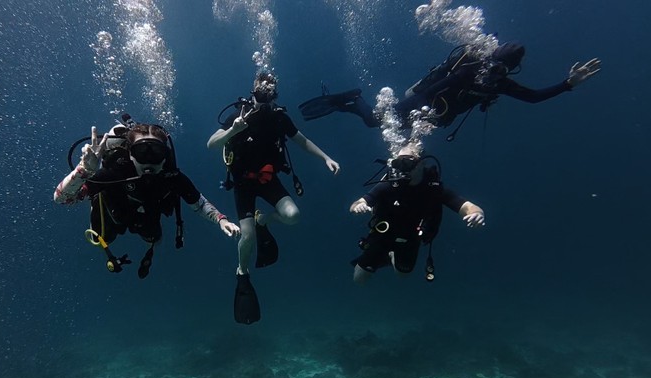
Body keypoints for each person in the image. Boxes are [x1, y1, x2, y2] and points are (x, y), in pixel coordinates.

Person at [207, 72, 341, 325]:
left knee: (293, 216)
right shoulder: (239, 115)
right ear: (252, 93)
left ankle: (264, 221)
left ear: (275, 96)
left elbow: (302, 141)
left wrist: (326, 158)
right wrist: (233, 130)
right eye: (260, 95)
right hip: (244, 184)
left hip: (269, 180)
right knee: (246, 236)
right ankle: (242, 271)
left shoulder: (279, 118)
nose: (264, 101)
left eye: (269, 96)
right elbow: (211, 144)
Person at [55, 120, 240, 279]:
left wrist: (221, 220)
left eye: (156, 153)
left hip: (146, 217)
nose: (149, 161)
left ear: (165, 156)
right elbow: (62, 199)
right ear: (130, 154)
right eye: (142, 151)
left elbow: (198, 203)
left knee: (154, 237)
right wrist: (83, 171)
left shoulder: (171, 176)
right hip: (112, 214)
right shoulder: (114, 172)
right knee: (105, 237)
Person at [299, 42, 601, 136]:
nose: (493, 74)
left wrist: (568, 84)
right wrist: (425, 115)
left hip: (435, 115)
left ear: (508, 71)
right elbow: (432, 91)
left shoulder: (501, 83)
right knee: (375, 121)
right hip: (421, 103)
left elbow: (533, 98)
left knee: (380, 125)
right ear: (488, 61)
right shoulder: (468, 72)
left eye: (501, 71)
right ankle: (354, 96)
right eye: (493, 67)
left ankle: (345, 103)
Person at [349, 141, 485, 285]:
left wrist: (478, 214)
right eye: (398, 162)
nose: (402, 168)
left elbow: (468, 206)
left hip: (411, 237)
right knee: (359, 279)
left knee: (403, 274)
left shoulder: (433, 189)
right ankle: (386, 254)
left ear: (421, 163)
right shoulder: (389, 184)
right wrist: (359, 206)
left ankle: (391, 257)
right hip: (383, 234)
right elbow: (358, 203)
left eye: (407, 162)